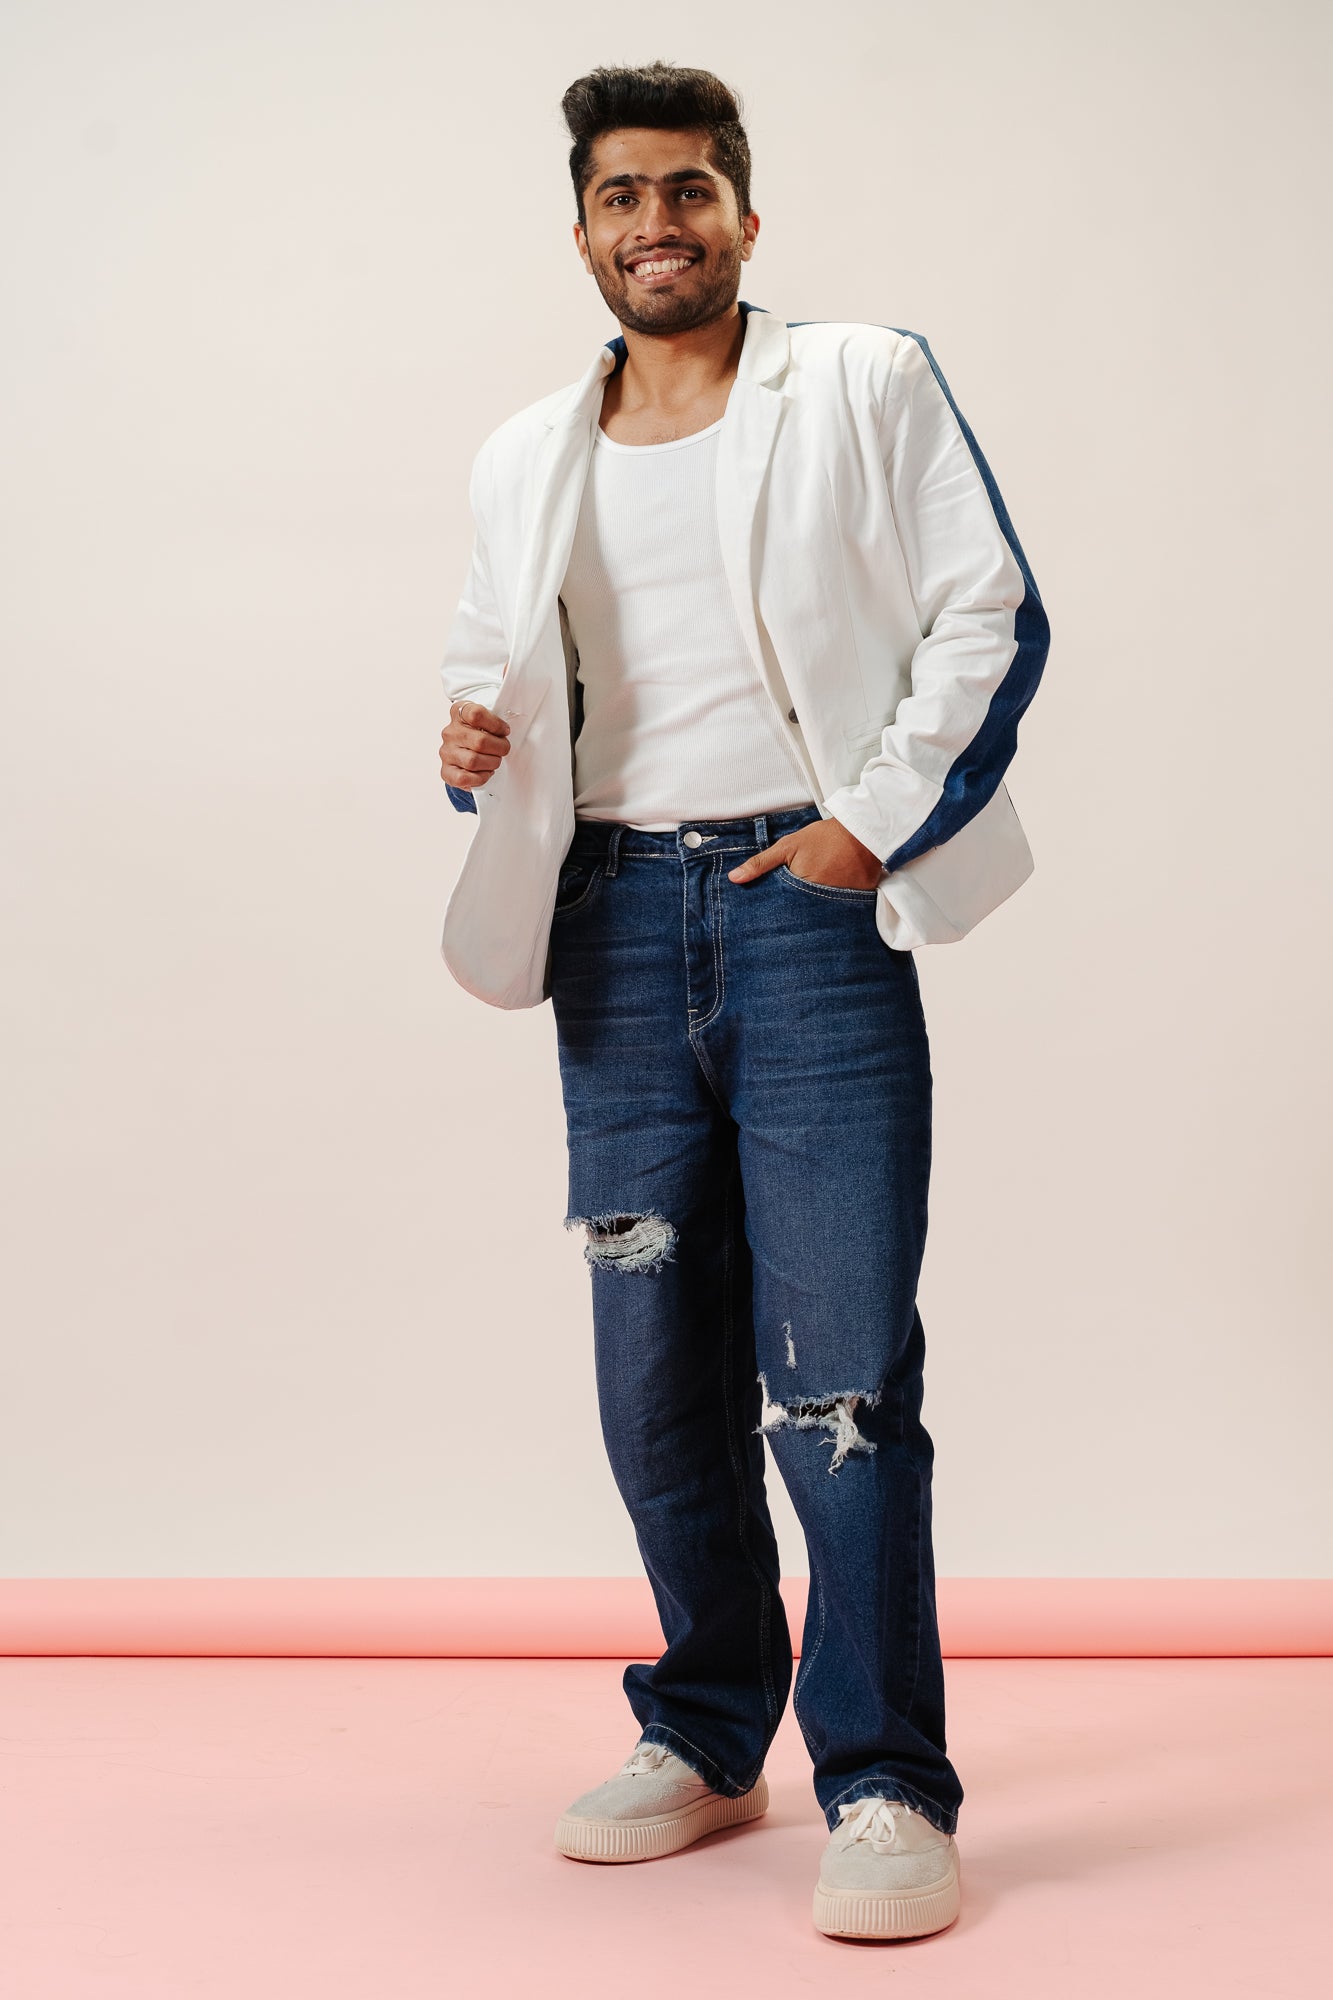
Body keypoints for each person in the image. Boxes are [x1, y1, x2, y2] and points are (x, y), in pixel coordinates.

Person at [435, 60, 1049, 1942]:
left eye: (688, 188)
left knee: (837, 1377)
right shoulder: (524, 453)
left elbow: (988, 613)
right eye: (622, 196)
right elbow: (498, 674)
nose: (657, 222)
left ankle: (884, 1778)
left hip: (804, 909)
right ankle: (708, 1733)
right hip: (609, 924)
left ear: (742, 216)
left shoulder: (859, 379)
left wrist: (868, 826)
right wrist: (471, 747)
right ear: (582, 233)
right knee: (651, 1376)